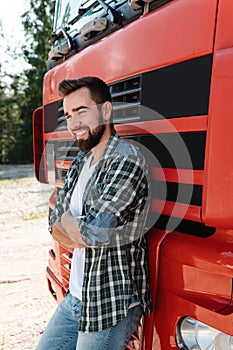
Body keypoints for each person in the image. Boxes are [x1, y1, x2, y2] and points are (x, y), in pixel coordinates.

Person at [36, 76, 151, 350]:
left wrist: (72, 224)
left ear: (106, 110)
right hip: (76, 297)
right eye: (67, 115)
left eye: (81, 111)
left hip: (109, 304)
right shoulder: (80, 161)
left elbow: (97, 233)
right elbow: (54, 222)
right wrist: (76, 226)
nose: (73, 123)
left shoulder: (127, 159)